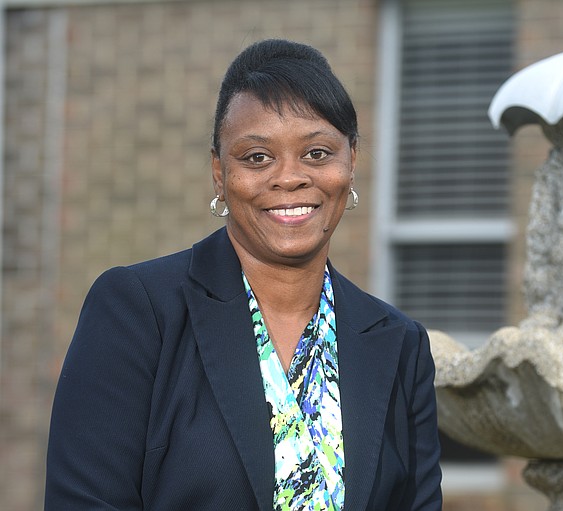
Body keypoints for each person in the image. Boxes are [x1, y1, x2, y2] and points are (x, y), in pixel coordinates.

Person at [45, 39, 442, 511]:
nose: (289, 178)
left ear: (350, 161)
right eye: (257, 157)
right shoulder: (139, 311)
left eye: (317, 153)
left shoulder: (400, 344)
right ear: (219, 171)